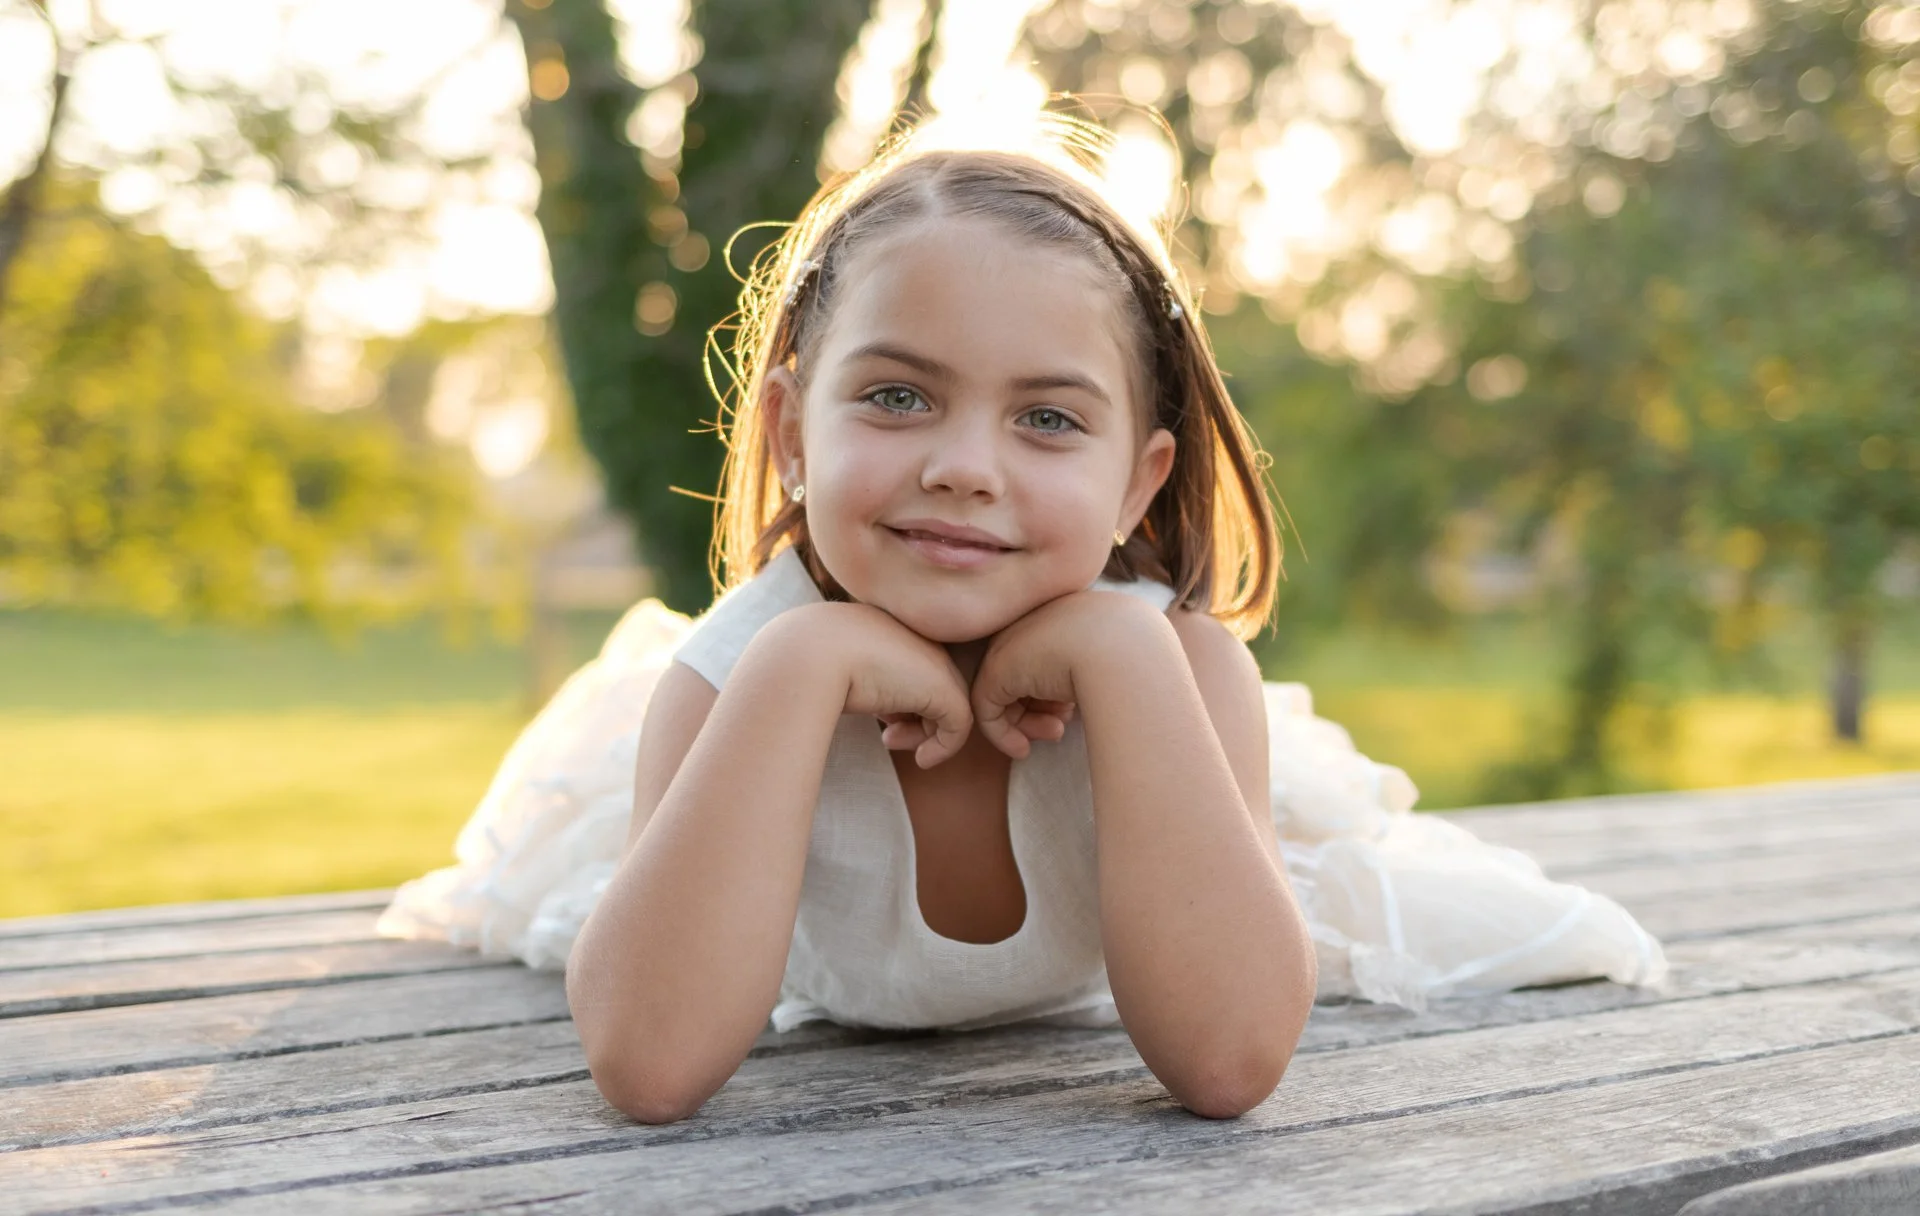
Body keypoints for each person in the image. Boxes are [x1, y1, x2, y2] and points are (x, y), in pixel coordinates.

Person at [376, 112, 1668, 1127]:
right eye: (896, 397)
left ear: (1139, 481)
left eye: (1047, 418)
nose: (965, 465)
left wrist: (1123, 650)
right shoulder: (728, 682)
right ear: (789, 431)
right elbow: (650, 1070)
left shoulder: (1181, 672)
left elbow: (1225, 1066)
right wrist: (803, 662)